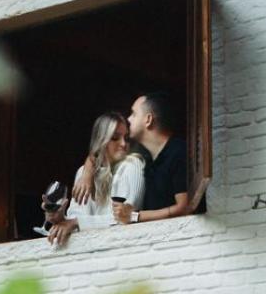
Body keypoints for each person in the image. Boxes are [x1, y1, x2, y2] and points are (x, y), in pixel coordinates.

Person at [74, 92, 190, 224]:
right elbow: (98, 154)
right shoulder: (149, 159)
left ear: (148, 120)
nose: (128, 119)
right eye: (115, 138)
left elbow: (185, 207)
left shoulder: (178, 151)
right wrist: (87, 171)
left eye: (134, 114)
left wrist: (136, 216)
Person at [47, 112, 145, 247]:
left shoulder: (133, 165)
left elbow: (125, 218)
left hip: (123, 247)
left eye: (126, 138)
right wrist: (60, 219)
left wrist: (76, 223)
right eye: (115, 138)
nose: (123, 144)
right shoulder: (84, 173)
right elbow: (75, 218)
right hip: (90, 250)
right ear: (101, 141)